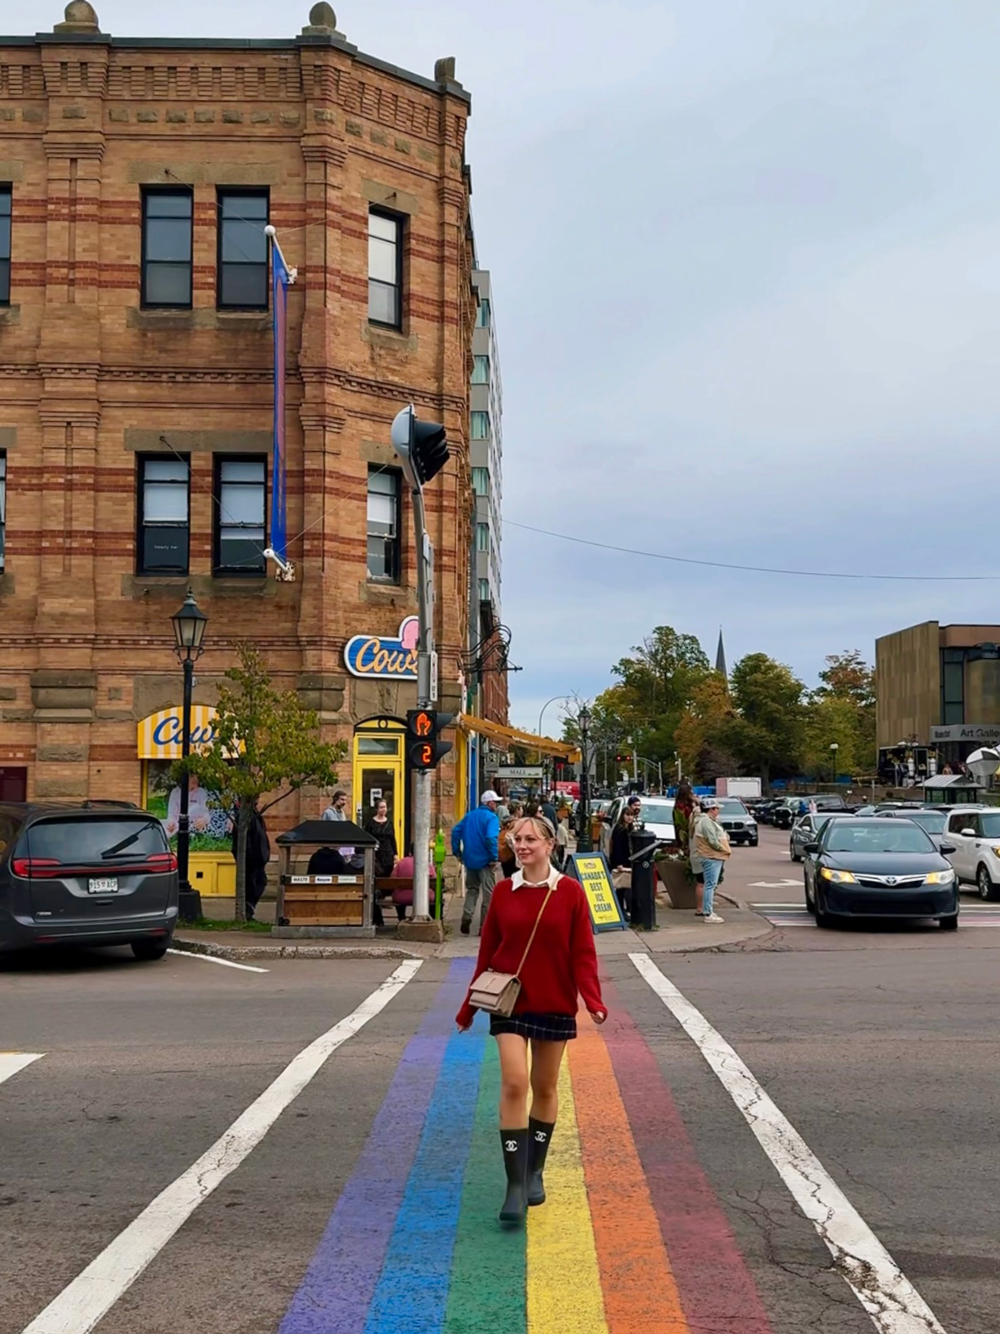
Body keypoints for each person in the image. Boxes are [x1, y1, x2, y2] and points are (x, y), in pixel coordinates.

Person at [456, 814, 607, 1225]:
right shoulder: (504, 892)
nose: (521, 845)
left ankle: (535, 1169)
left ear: (549, 845)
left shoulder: (571, 893)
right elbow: (487, 954)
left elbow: (582, 953)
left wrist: (592, 999)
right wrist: (468, 1008)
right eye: (516, 839)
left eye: (529, 839)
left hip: (554, 1001)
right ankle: (514, 1184)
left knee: (544, 1086)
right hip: (509, 1003)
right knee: (513, 1083)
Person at [452, 790, 501, 935]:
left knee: (472, 891)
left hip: (470, 859)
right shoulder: (491, 818)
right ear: (489, 803)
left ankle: (467, 916)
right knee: (488, 895)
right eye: (495, 802)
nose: (496, 805)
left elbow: (455, 831)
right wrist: (493, 857)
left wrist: (457, 852)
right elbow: (491, 838)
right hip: (486, 862)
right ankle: (484, 927)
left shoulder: (469, 816)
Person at [230, 799, 271, 921]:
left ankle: (249, 910)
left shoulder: (253, 813)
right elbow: (245, 839)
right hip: (252, 858)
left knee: (259, 882)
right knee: (253, 884)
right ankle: (247, 911)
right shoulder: (245, 816)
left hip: (257, 857)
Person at [694, 797, 731, 923]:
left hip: (712, 856)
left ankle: (708, 910)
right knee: (710, 885)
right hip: (712, 856)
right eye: (716, 809)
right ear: (710, 809)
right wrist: (723, 849)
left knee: (709, 884)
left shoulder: (707, 820)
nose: (718, 811)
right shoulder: (706, 822)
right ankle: (708, 913)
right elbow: (712, 840)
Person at [608, 805, 637, 919]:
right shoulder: (620, 830)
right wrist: (619, 863)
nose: (629, 818)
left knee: (625, 887)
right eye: (627, 815)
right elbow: (617, 847)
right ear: (622, 816)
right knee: (621, 887)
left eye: (631, 815)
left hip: (627, 860)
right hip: (621, 861)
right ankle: (621, 909)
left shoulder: (629, 829)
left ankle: (625, 909)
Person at [364, 799, 397, 879]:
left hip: (388, 854)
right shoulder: (370, 823)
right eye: (381, 807)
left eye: (385, 807)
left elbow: (392, 839)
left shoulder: (390, 823)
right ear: (377, 809)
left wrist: (395, 854)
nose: (383, 809)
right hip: (376, 854)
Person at [499, 802, 522, 879]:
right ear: (517, 810)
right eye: (521, 808)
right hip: (513, 857)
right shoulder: (517, 823)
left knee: (508, 880)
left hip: (505, 856)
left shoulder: (506, 822)